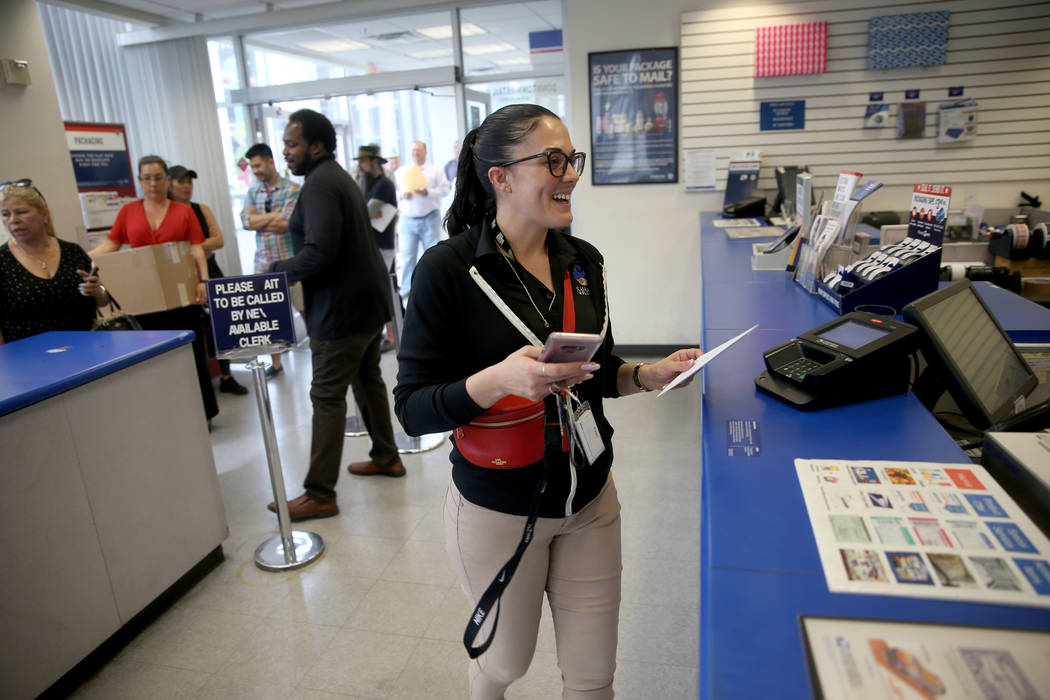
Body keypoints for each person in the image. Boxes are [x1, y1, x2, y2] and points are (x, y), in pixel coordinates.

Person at [393, 104, 703, 699]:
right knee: (505, 663)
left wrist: (647, 374)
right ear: (501, 177)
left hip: (590, 496)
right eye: (552, 161)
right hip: (499, 507)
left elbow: (598, 370)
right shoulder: (448, 271)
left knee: (592, 678)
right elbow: (411, 408)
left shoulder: (583, 261)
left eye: (572, 160)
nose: (570, 175)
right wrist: (499, 381)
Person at [266, 109, 403, 522]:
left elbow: (320, 251)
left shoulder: (319, 185)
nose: (285, 152)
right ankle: (386, 456)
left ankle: (319, 493)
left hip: (339, 311)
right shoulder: (337, 178)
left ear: (316, 146)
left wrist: (274, 272)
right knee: (367, 381)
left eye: (291, 144)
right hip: (363, 304)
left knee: (326, 396)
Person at [90, 155, 218, 424]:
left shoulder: (184, 211)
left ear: (167, 179)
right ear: (139, 180)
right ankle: (167, 414)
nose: (153, 183)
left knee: (191, 356)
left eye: (158, 177)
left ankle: (203, 415)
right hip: (145, 301)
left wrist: (203, 280)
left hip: (181, 298)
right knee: (156, 359)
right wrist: (81, 258)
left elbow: (196, 247)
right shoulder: (128, 212)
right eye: (146, 178)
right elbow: (112, 245)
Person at [168, 164, 247, 396]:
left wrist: (194, 247)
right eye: (181, 181)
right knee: (195, 329)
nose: (186, 187)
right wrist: (201, 247)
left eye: (189, 182)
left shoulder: (201, 209)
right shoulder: (168, 212)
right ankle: (199, 384)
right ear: (169, 183)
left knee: (221, 324)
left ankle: (226, 375)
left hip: (210, 272)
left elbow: (219, 239)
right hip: (182, 276)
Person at [1, 181, 109, 343]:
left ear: (44, 215)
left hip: (86, 349)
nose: (13, 220)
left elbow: (103, 300)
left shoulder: (73, 251)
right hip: (30, 357)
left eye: (21, 212)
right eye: (5, 214)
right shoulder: (3, 261)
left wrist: (96, 290)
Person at [241, 142, 301, 377]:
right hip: (263, 264)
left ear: (270, 162)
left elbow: (286, 222)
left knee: (305, 310)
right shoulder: (252, 193)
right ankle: (276, 364)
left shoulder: (292, 189)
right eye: (252, 167)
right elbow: (246, 222)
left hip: (291, 262)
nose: (255, 170)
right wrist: (271, 217)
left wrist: (259, 219)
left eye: (257, 165)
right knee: (269, 318)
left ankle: (318, 357)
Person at [354, 143, 398, 352]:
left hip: (382, 245)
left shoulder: (383, 184)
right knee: (377, 289)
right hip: (371, 244)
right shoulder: (367, 183)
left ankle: (390, 335)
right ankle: (385, 333)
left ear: (373, 162)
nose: (360, 166)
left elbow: (367, 212)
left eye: (363, 161)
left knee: (382, 289)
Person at [394, 140, 449, 300]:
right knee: (407, 256)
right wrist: (402, 195)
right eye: (413, 151)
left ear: (425, 152)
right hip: (407, 219)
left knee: (431, 255)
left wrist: (427, 191)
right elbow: (395, 192)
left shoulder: (435, 171)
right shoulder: (402, 171)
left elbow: (445, 189)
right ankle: (406, 293)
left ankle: (432, 288)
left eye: (419, 150)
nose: (416, 153)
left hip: (429, 218)